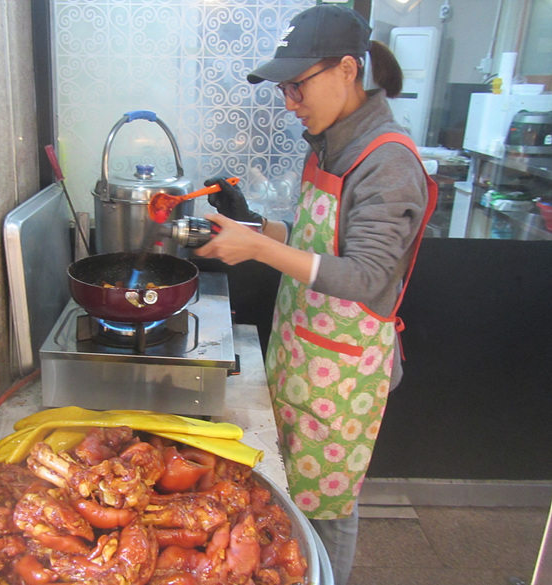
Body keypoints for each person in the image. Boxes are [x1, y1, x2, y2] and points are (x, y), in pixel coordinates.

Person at [193, 5, 438, 585]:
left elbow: (366, 275)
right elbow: (311, 240)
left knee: (328, 511)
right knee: (292, 500)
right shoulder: (327, 143)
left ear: (347, 70)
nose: (290, 102)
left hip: (343, 378)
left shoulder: (388, 161)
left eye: (297, 85)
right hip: (303, 353)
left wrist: (257, 249)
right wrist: (253, 225)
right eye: (285, 88)